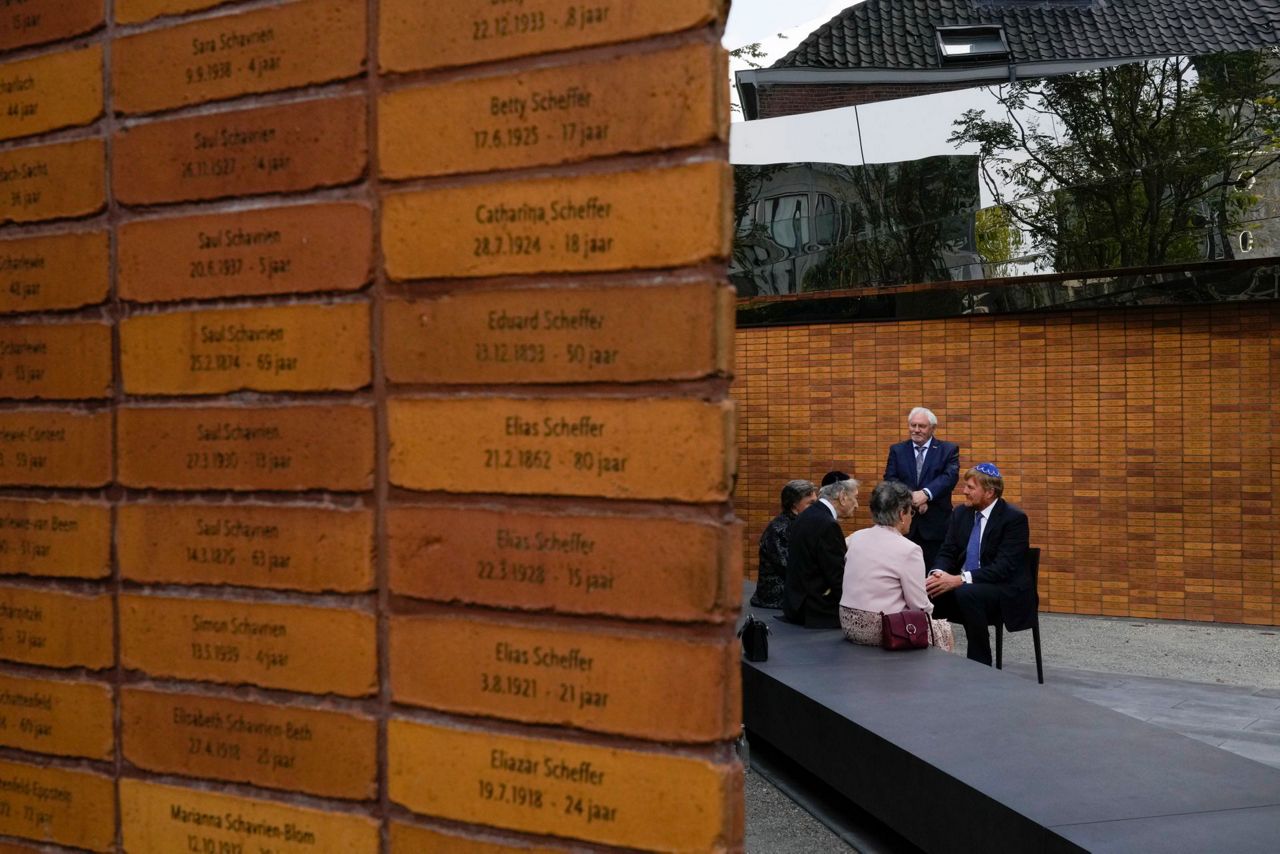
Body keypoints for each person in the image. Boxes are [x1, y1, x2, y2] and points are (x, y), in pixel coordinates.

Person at [925, 463, 1032, 665]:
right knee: (929, 589)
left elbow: (1004, 568)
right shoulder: (960, 514)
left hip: (1002, 590)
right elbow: (947, 551)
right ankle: (931, 659)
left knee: (967, 593)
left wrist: (960, 579)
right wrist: (937, 573)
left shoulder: (1014, 519)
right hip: (965, 588)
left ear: (990, 492)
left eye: (971, 488)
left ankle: (980, 664)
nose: (964, 491)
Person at [839, 480, 954, 650]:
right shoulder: (909, 550)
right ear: (901, 514)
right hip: (883, 627)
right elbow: (919, 606)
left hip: (848, 622)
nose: (910, 518)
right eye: (911, 512)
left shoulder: (855, 537)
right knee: (943, 629)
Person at [884, 407, 959, 571]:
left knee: (933, 574)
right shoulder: (897, 450)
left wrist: (926, 494)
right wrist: (912, 498)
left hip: (936, 527)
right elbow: (890, 479)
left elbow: (949, 478)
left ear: (933, 428)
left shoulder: (948, 450)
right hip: (903, 526)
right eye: (913, 425)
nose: (916, 430)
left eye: (922, 426)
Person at [783, 474, 859, 629]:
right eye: (855, 498)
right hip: (815, 610)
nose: (857, 505)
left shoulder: (807, 515)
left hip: (795, 604)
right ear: (843, 497)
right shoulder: (828, 524)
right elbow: (837, 576)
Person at [751, 479, 818, 609]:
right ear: (794, 506)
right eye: (811, 504)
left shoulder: (800, 524)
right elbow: (788, 567)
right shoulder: (778, 529)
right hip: (775, 595)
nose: (816, 508)